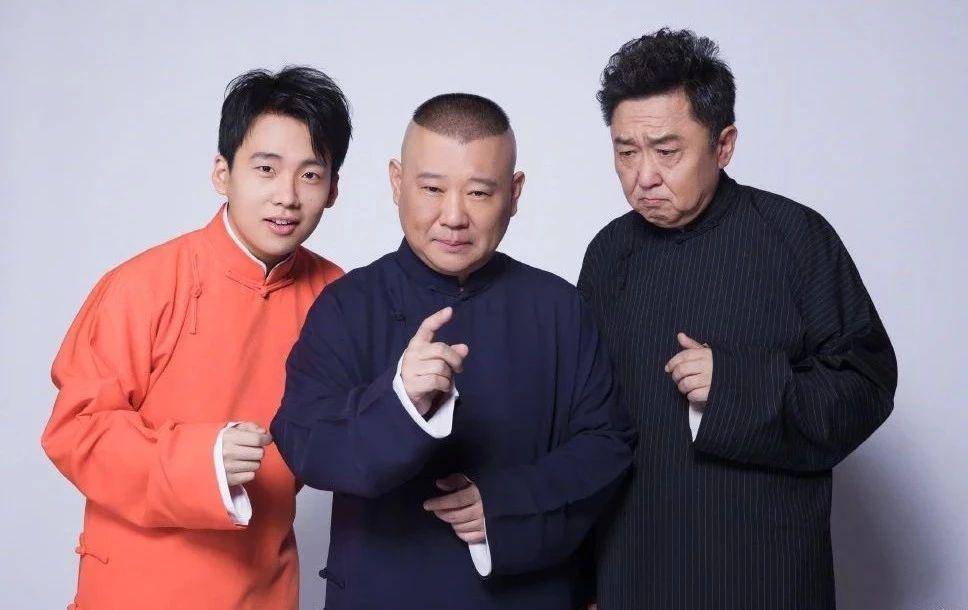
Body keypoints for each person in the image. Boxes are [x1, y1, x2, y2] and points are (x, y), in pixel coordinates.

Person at [271, 93, 634, 610]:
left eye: (480, 192)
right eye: (432, 189)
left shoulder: (558, 306)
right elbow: (306, 445)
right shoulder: (347, 305)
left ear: (514, 193)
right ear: (397, 183)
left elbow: (606, 445)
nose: (454, 216)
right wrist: (402, 400)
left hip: (529, 593)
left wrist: (506, 506)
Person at [578, 28, 898, 609]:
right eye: (626, 152)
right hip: (633, 572)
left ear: (723, 145)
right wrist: (584, 584)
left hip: (765, 576)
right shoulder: (606, 255)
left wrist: (734, 387)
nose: (643, 176)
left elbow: (866, 386)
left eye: (666, 151)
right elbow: (586, 425)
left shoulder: (796, 237)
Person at [41, 66, 351, 610]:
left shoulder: (338, 296)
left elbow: (367, 430)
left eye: (309, 174)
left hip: (265, 586)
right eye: (266, 169)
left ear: (333, 191)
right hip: (138, 589)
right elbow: (76, 431)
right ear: (222, 173)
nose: (286, 196)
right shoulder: (142, 284)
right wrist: (201, 459)